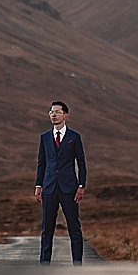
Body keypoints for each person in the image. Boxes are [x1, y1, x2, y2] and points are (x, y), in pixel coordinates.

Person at [35, 100, 86, 265]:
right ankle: (44, 263)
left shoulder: (74, 137)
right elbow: (41, 163)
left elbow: (81, 163)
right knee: (47, 228)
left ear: (65, 115)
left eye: (57, 112)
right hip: (49, 187)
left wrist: (81, 185)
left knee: (74, 228)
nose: (53, 115)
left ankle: (77, 262)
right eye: (51, 112)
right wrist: (38, 185)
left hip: (69, 188)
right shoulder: (44, 138)